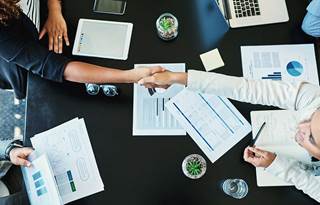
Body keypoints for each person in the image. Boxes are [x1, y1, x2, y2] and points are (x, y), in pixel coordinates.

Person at [0, 0, 163, 204]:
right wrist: (129, 76)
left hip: (44, 25)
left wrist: (54, 9)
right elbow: (54, 67)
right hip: (28, 61)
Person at [139, 70, 320, 202]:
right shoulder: (316, 98)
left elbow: (313, 187)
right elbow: (246, 88)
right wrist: (176, 78)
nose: (301, 125)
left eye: (310, 137)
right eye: (312, 116)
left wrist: (280, 167)